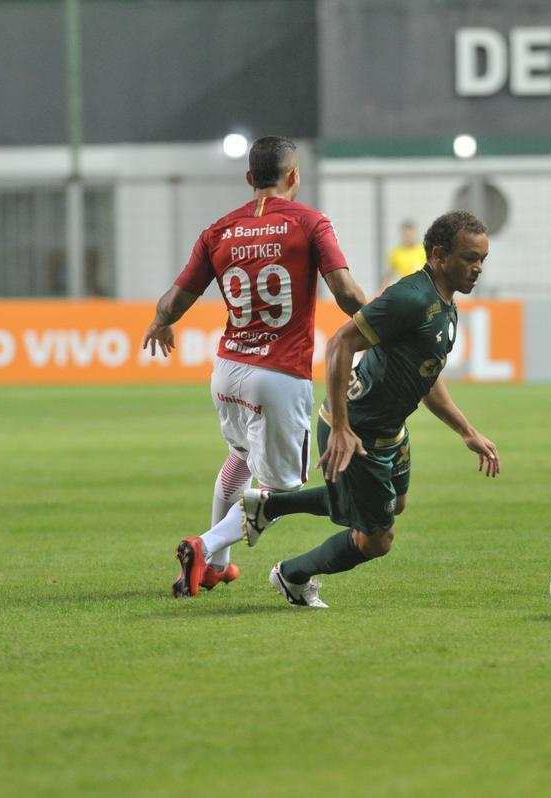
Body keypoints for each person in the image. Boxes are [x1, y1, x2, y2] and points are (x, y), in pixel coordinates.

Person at [237, 210, 501, 609]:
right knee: (376, 539)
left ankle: (270, 505)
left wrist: (466, 430)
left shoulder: (444, 302)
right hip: (357, 430)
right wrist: (342, 427)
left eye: (482, 259)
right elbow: (339, 344)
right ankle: (292, 576)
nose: (478, 268)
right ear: (439, 255)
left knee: (394, 502)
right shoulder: (411, 297)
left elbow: (424, 375)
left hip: (389, 428)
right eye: (469, 258)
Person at [141, 135, 367, 598]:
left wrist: (162, 322)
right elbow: (344, 292)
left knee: (240, 460)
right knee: (281, 492)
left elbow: (176, 299)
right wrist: (382, 323)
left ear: (250, 180)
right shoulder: (310, 223)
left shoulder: (219, 230)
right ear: (294, 177)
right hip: (279, 375)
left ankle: (216, 566)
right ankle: (204, 545)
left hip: (227, 372)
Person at [384, 220, 422, 287]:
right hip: (405, 287)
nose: (408, 237)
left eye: (410, 234)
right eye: (406, 235)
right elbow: (389, 274)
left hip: (420, 287)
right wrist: (381, 291)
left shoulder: (423, 251)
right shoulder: (396, 253)